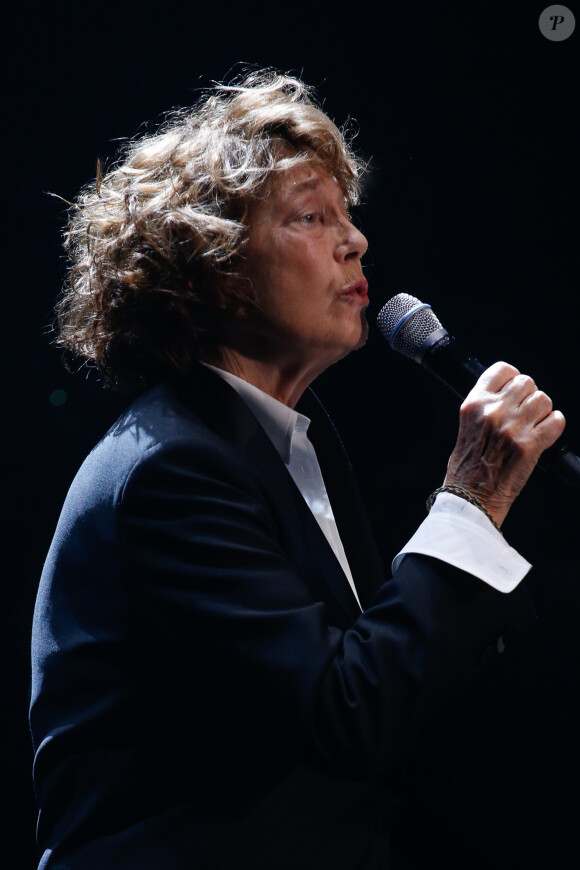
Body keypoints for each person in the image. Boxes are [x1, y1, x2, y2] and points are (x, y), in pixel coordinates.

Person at [30, 70, 565, 870]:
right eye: (312, 217)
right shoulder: (171, 471)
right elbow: (343, 711)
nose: (356, 241)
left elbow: (375, 691)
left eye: (348, 215)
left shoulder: (292, 442)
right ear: (214, 264)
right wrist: (474, 495)